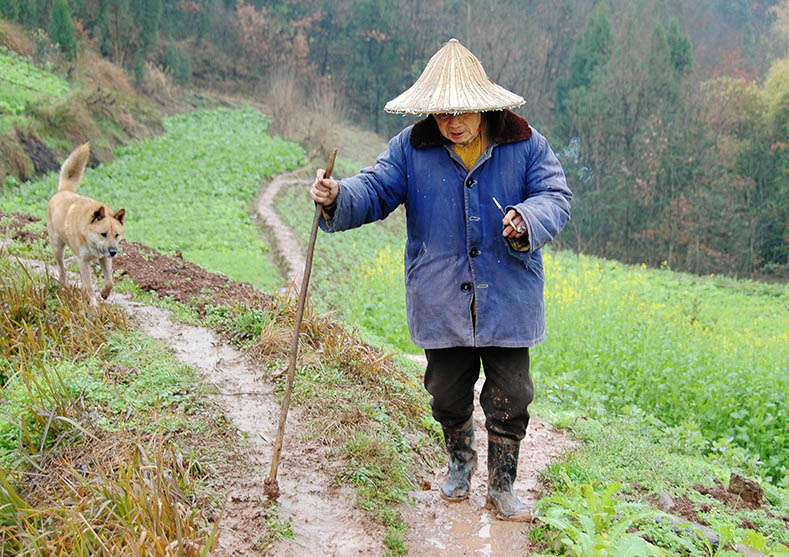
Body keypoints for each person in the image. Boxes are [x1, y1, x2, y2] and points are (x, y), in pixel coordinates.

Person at [310, 38, 572, 522]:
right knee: (447, 393)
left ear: (484, 104)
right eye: (443, 111)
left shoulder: (526, 144)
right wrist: (337, 195)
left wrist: (527, 220)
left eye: (464, 110)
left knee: (510, 396)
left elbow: (555, 195)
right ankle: (459, 464)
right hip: (442, 295)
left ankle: (501, 485)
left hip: (508, 295)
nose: (454, 122)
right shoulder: (410, 148)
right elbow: (375, 188)